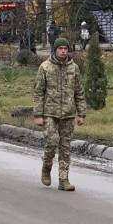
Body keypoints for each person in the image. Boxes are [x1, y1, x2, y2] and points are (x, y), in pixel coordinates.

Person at [33, 37, 87, 191]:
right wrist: (38, 114)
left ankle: (64, 179)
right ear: (55, 50)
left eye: (65, 49)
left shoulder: (73, 68)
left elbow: (79, 92)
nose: (63, 51)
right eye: (60, 49)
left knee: (65, 147)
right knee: (51, 141)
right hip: (50, 112)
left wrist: (81, 113)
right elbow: (38, 93)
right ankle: (46, 166)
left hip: (68, 113)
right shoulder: (45, 67)